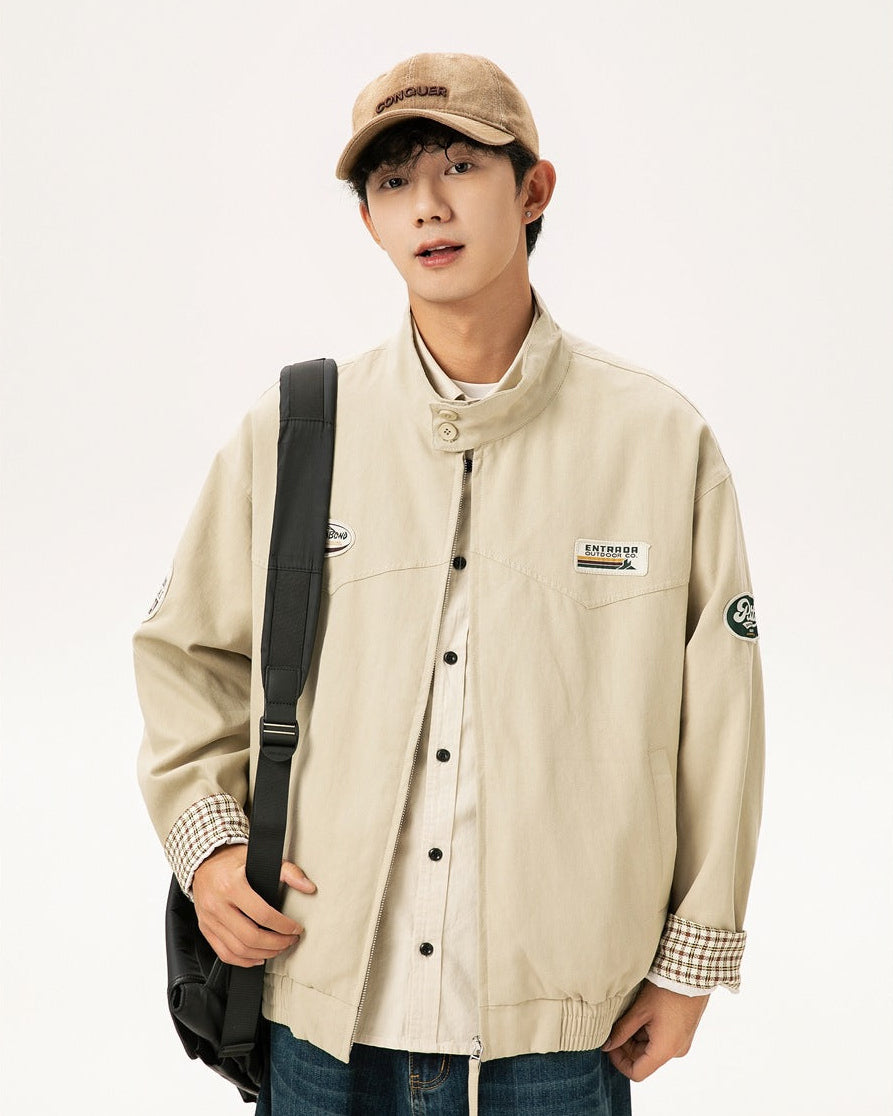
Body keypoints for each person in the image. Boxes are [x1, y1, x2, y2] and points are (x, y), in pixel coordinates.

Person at [134, 52, 764, 1116]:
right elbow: (185, 654)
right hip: (318, 1007)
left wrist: (690, 961)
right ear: (369, 222)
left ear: (532, 189)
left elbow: (721, 719)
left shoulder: (659, 441)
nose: (426, 203)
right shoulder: (296, 431)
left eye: (459, 166)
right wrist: (209, 849)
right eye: (392, 181)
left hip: (559, 1034)